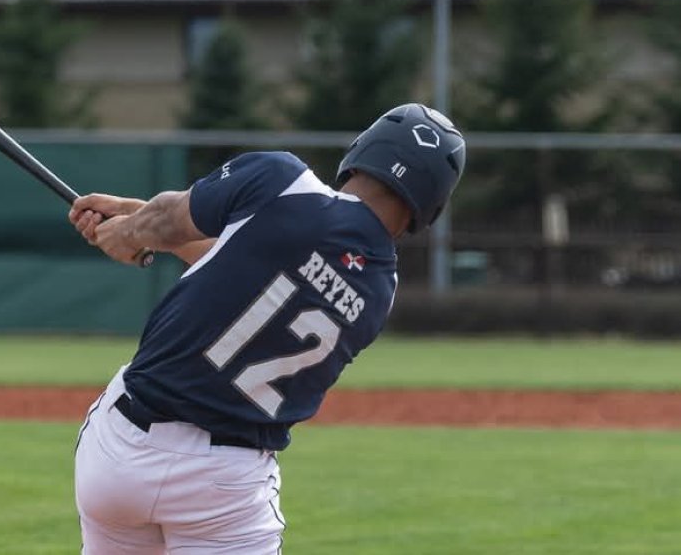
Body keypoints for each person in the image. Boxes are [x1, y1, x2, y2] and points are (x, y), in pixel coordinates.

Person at [68, 103, 466, 554]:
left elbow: (171, 221)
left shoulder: (283, 179)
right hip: (225, 484)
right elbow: (254, 265)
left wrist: (129, 232)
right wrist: (132, 218)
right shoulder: (380, 288)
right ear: (429, 205)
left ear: (364, 150)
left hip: (120, 453)